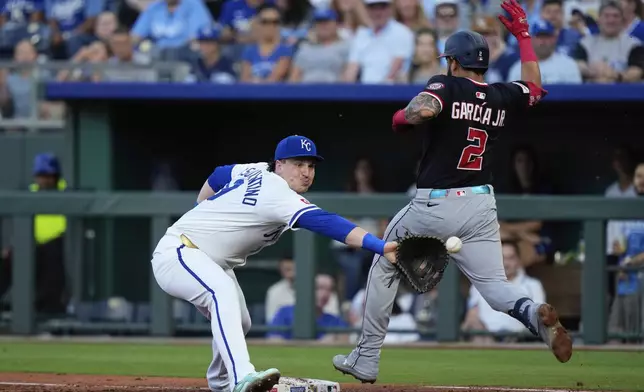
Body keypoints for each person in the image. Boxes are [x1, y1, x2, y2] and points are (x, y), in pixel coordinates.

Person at [332, 0, 572, 384]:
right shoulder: (499, 94)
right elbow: (535, 88)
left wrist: (401, 118)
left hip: (435, 203)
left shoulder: (446, 83)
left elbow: (421, 110)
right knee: (495, 289)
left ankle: (366, 357)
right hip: (480, 204)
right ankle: (535, 317)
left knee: (384, 261)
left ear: (453, 62)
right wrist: (525, 38)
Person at [151, 135, 397, 392]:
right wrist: (379, 246)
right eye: (298, 164)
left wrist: (200, 207)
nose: (306, 172)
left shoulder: (257, 168)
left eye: (311, 166)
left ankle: (221, 381)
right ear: (280, 164)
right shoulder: (279, 193)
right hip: (179, 252)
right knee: (221, 293)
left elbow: (219, 174)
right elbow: (329, 223)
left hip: (208, 259)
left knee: (241, 321)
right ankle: (241, 377)